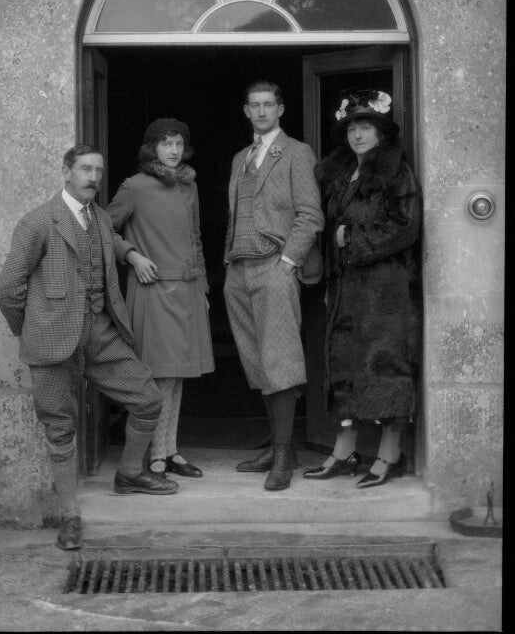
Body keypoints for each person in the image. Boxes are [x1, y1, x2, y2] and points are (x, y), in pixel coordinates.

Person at [0, 145, 179, 552]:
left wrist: (128, 251)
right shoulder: (38, 222)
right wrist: (30, 327)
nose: (93, 177)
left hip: (97, 330)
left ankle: (129, 473)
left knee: (147, 398)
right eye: (84, 169)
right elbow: (7, 288)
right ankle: (70, 517)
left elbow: (109, 239)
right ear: (66, 172)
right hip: (52, 337)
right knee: (60, 426)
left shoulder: (98, 218)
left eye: (98, 170)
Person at [304, 88, 421, 488]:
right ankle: (345, 450)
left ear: (381, 133)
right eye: (353, 127)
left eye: (366, 127)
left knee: (385, 364)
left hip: (384, 289)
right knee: (344, 364)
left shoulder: (395, 171)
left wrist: (350, 238)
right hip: (345, 287)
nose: (357, 135)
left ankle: (390, 455)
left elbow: (406, 226)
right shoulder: (338, 173)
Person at [224, 80, 324, 491]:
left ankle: (284, 454)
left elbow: (310, 214)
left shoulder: (296, 153)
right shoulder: (240, 158)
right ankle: (278, 445)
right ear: (246, 111)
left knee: (279, 359)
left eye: (269, 104)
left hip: (275, 265)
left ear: (280, 109)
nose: (262, 111)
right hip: (239, 269)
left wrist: (288, 263)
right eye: (255, 106)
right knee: (257, 361)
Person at [108, 119, 214, 479]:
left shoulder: (189, 185)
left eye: (179, 144)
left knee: (178, 377)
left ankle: (170, 450)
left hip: (188, 289)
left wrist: (202, 287)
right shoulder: (134, 187)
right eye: (166, 143)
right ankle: (154, 455)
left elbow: (196, 238)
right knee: (159, 378)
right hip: (153, 289)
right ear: (151, 148)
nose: (173, 150)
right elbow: (100, 228)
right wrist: (132, 256)